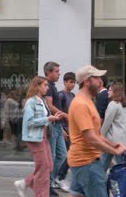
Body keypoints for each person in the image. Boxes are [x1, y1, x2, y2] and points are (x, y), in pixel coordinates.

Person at [67, 65, 126, 197]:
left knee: (76, 195)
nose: (101, 81)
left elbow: (97, 134)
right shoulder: (81, 104)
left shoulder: (88, 102)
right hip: (87, 163)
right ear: (87, 81)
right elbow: (91, 138)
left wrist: (114, 145)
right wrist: (114, 151)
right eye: (97, 78)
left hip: (83, 161)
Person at [14, 76, 63, 197]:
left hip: (44, 136)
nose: (47, 87)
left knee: (48, 166)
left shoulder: (43, 101)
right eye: (45, 85)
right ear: (37, 86)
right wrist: (48, 118)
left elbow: (43, 119)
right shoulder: (31, 102)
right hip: (35, 138)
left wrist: (53, 117)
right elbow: (30, 121)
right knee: (44, 169)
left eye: (47, 85)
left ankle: (25, 183)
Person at [43, 61, 68, 195]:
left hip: (57, 125)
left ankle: (52, 180)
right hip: (52, 125)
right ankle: (49, 183)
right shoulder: (48, 86)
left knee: (63, 155)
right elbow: (49, 106)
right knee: (51, 156)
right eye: (57, 71)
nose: (59, 74)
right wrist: (65, 115)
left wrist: (62, 127)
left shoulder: (52, 86)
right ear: (49, 73)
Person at [100, 82, 126, 171]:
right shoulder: (122, 104)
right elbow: (125, 122)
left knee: (106, 163)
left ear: (115, 92)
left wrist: (100, 135)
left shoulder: (112, 104)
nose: (108, 92)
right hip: (121, 139)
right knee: (123, 164)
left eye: (110, 90)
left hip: (113, 140)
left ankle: (99, 181)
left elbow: (107, 122)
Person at [56, 72, 76, 187]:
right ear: (64, 82)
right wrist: (61, 130)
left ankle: (61, 176)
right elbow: (57, 113)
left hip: (71, 129)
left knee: (70, 153)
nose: (73, 84)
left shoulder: (73, 95)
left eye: (74, 82)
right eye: (70, 82)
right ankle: (60, 177)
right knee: (68, 154)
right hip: (63, 129)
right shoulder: (60, 95)